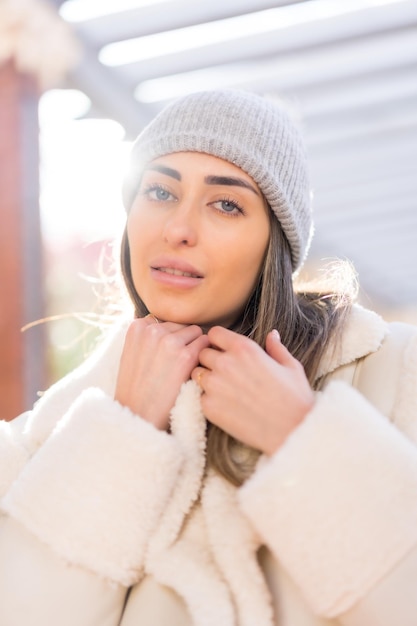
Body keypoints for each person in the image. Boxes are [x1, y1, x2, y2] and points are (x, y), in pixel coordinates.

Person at [0, 89, 416, 626]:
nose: (178, 228)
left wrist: (303, 436)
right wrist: (119, 434)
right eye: (159, 191)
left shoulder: (393, 373)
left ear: (276, 243)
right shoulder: (45, 434)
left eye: (226, 203)